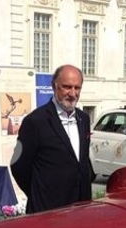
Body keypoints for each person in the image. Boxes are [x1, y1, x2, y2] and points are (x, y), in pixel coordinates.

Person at [10, 64, 92, 214]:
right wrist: (40, 193)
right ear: (54, 86)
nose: (73, 93)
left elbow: (82, 160)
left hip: (81, 209)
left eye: (77, 88)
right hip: (48, 210)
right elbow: (18, 165)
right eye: (67, 87)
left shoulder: (84, 119)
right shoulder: (35, 121)